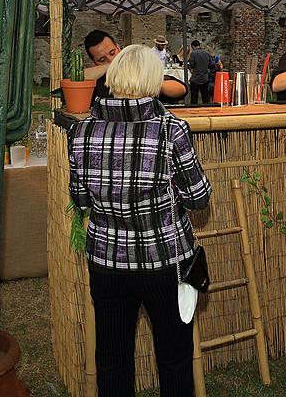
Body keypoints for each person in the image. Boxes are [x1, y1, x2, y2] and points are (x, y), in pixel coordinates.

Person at [68, 45, 212, 397]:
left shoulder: (81, 131)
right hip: (164, 260)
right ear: (153, 80)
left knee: (112, 359)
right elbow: (199, 198)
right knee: (174, 358)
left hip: (106, 262)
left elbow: (81, 198)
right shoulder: (170, 129)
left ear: (113, 78)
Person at [83, 30, 187, 103]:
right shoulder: (97, 83)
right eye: (102, 60)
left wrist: (145, 83)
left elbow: (181, 89)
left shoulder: (140, 68)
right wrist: (110, 66)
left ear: (118, 47)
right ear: (94, 63)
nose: (111, 60)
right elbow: (77, 78)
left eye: (112, 53)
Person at [188, 40, 212, 105]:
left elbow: (192, 65)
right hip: (205, 78)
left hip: (195, 78)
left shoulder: (193, 53)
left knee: (194, 97)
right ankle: (206, 111)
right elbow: (210, 65)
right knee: (205, 97)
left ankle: (193, 111)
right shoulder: (207, 53)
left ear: (193, 46)